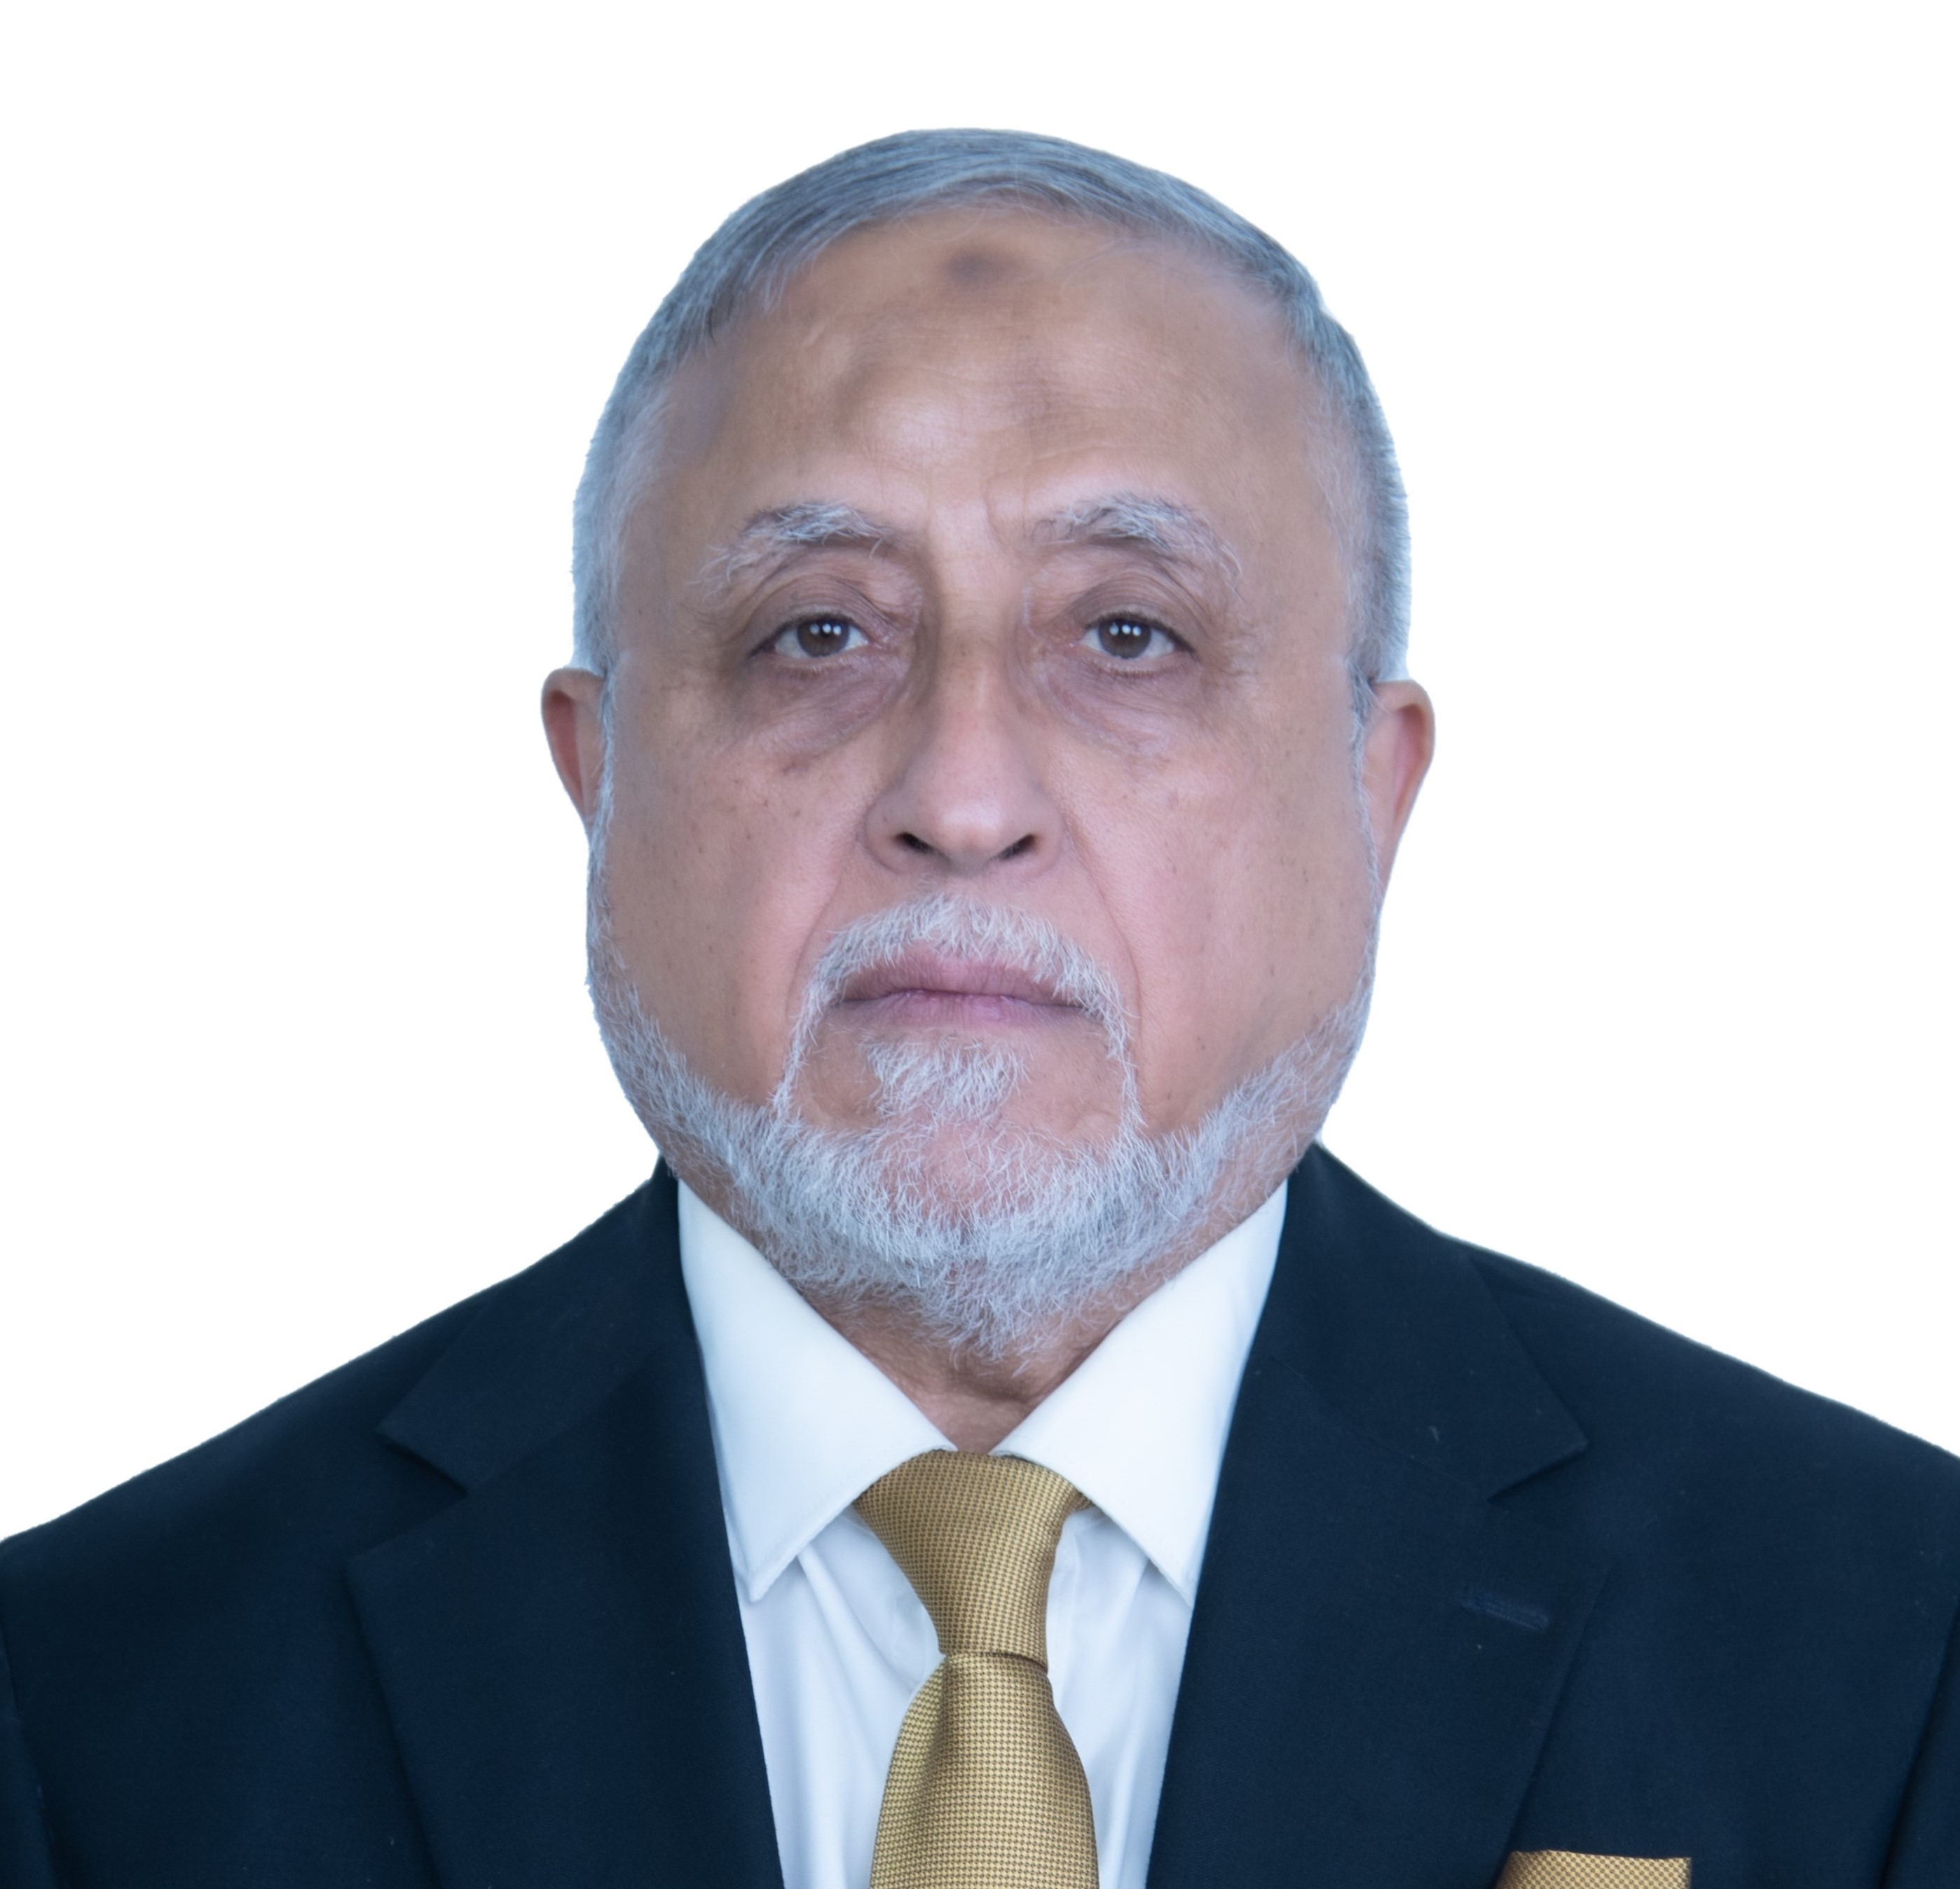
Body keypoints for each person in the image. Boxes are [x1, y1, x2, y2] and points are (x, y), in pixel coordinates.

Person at [1, 128, 1953, 1889]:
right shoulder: (84, 1708)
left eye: (1129, 635)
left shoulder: (1893, 1647)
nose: (962, 794)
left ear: (1376, 791)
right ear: (599, 778)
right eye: (817, 634)